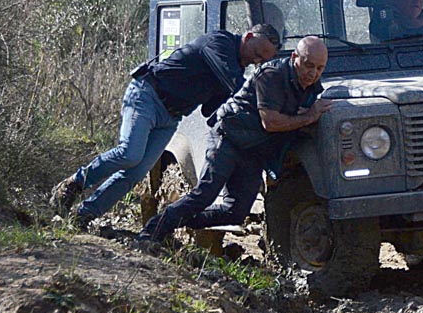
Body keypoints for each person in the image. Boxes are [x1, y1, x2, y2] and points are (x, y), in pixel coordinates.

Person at [50, 24, 281, 227]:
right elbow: (234, 85)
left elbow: (211, 110)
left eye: (262, 60)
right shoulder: (219, 42)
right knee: (130, 154)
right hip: (147, 95)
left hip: (171, 117)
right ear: (249, 37)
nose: (256, 61)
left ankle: (83, 216)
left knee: (136, 172)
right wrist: (265, 102)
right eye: (257, 53)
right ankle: (73, 184)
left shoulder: (236, 69)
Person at [137, 36, 333, 244]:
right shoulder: (271, 75)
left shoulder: (311, 87)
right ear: (294, 57)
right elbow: (271, 122)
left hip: (253, 150)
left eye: (320, 68)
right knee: (205, 195)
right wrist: (309, 116)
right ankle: (151, 233)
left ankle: (171, 222)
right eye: (308, 65)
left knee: (235, 213)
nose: (313, 73)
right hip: (228, 137)